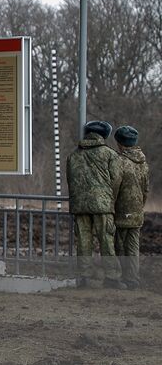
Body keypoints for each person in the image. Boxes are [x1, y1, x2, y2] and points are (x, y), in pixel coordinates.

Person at [66, 120, 123, 288]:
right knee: (106, 240)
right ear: (104, 135)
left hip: (79, 205)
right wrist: (107, 197)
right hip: (102, 204)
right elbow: (116, 180)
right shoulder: (110, 155)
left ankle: (84, 276)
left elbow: (70, 180)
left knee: (83, 241)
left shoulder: (73, 155)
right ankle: (112, 277)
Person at [113, 125, 150, 289]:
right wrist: (140, 205)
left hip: (121, 210)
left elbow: (114, 187)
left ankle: (121, 278)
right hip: (137, 211)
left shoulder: (120, 161)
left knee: (119, 245)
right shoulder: (143, 162)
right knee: (133, 246)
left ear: (120, 143)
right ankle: (133, 279)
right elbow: (146, 188)